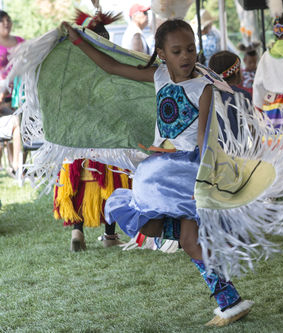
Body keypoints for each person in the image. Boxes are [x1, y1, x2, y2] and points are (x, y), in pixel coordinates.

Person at [62, 19, 255, 326]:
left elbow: (204, 137)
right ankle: (229, 299)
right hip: (156, 173)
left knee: (189, 240)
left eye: (190, 49)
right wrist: (78, 41)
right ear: (162, 53)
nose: (186, 56)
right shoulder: (159, 75)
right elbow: (111, 66)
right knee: (150, 227)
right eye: (177, 50)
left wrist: (205, 178)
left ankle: (229, 301)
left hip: (186, 173)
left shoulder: (203, 87)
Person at [53, 9, 129, 252]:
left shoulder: (71, 70)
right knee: (110, 182)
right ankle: (109, 235)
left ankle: (77, 231)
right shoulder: (111, 67)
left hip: (77, 139)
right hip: (105, 137)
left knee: (76, 182)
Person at [208, 50, 252, 140]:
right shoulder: (242, 96)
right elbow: (251, 130)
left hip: (211, 151)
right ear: (236, 72)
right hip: (238, 152)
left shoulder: (206, 96)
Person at [0, 10, 23, 176]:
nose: (6, 23)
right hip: (3, 94)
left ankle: (15, 166)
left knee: (16, 122)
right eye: (2, 21)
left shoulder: (20, 42)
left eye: (8, 20)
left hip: (14, 94)